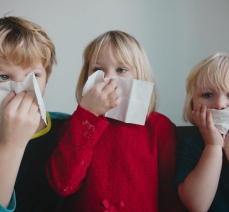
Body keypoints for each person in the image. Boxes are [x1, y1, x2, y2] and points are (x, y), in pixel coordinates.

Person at [46, 30, 182, 211]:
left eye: (121, 70)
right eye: (98, 70)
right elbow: (63, 185)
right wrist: (87, 116)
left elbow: (170, 196)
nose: (109, 78)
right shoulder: (76, 125)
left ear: (139, 74)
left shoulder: (160, 127)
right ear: (87, 76)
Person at [173, 52, 229, 212]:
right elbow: (197, 205)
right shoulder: (188, 148)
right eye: (208, 95)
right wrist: (212, 146)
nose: (219, 105)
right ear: (193, 104)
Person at [0, 16, 70, 212]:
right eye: (3, 76)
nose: (22, 89)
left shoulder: (68, 128)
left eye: (33, 76)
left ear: (47, 77)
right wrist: (10, 144)